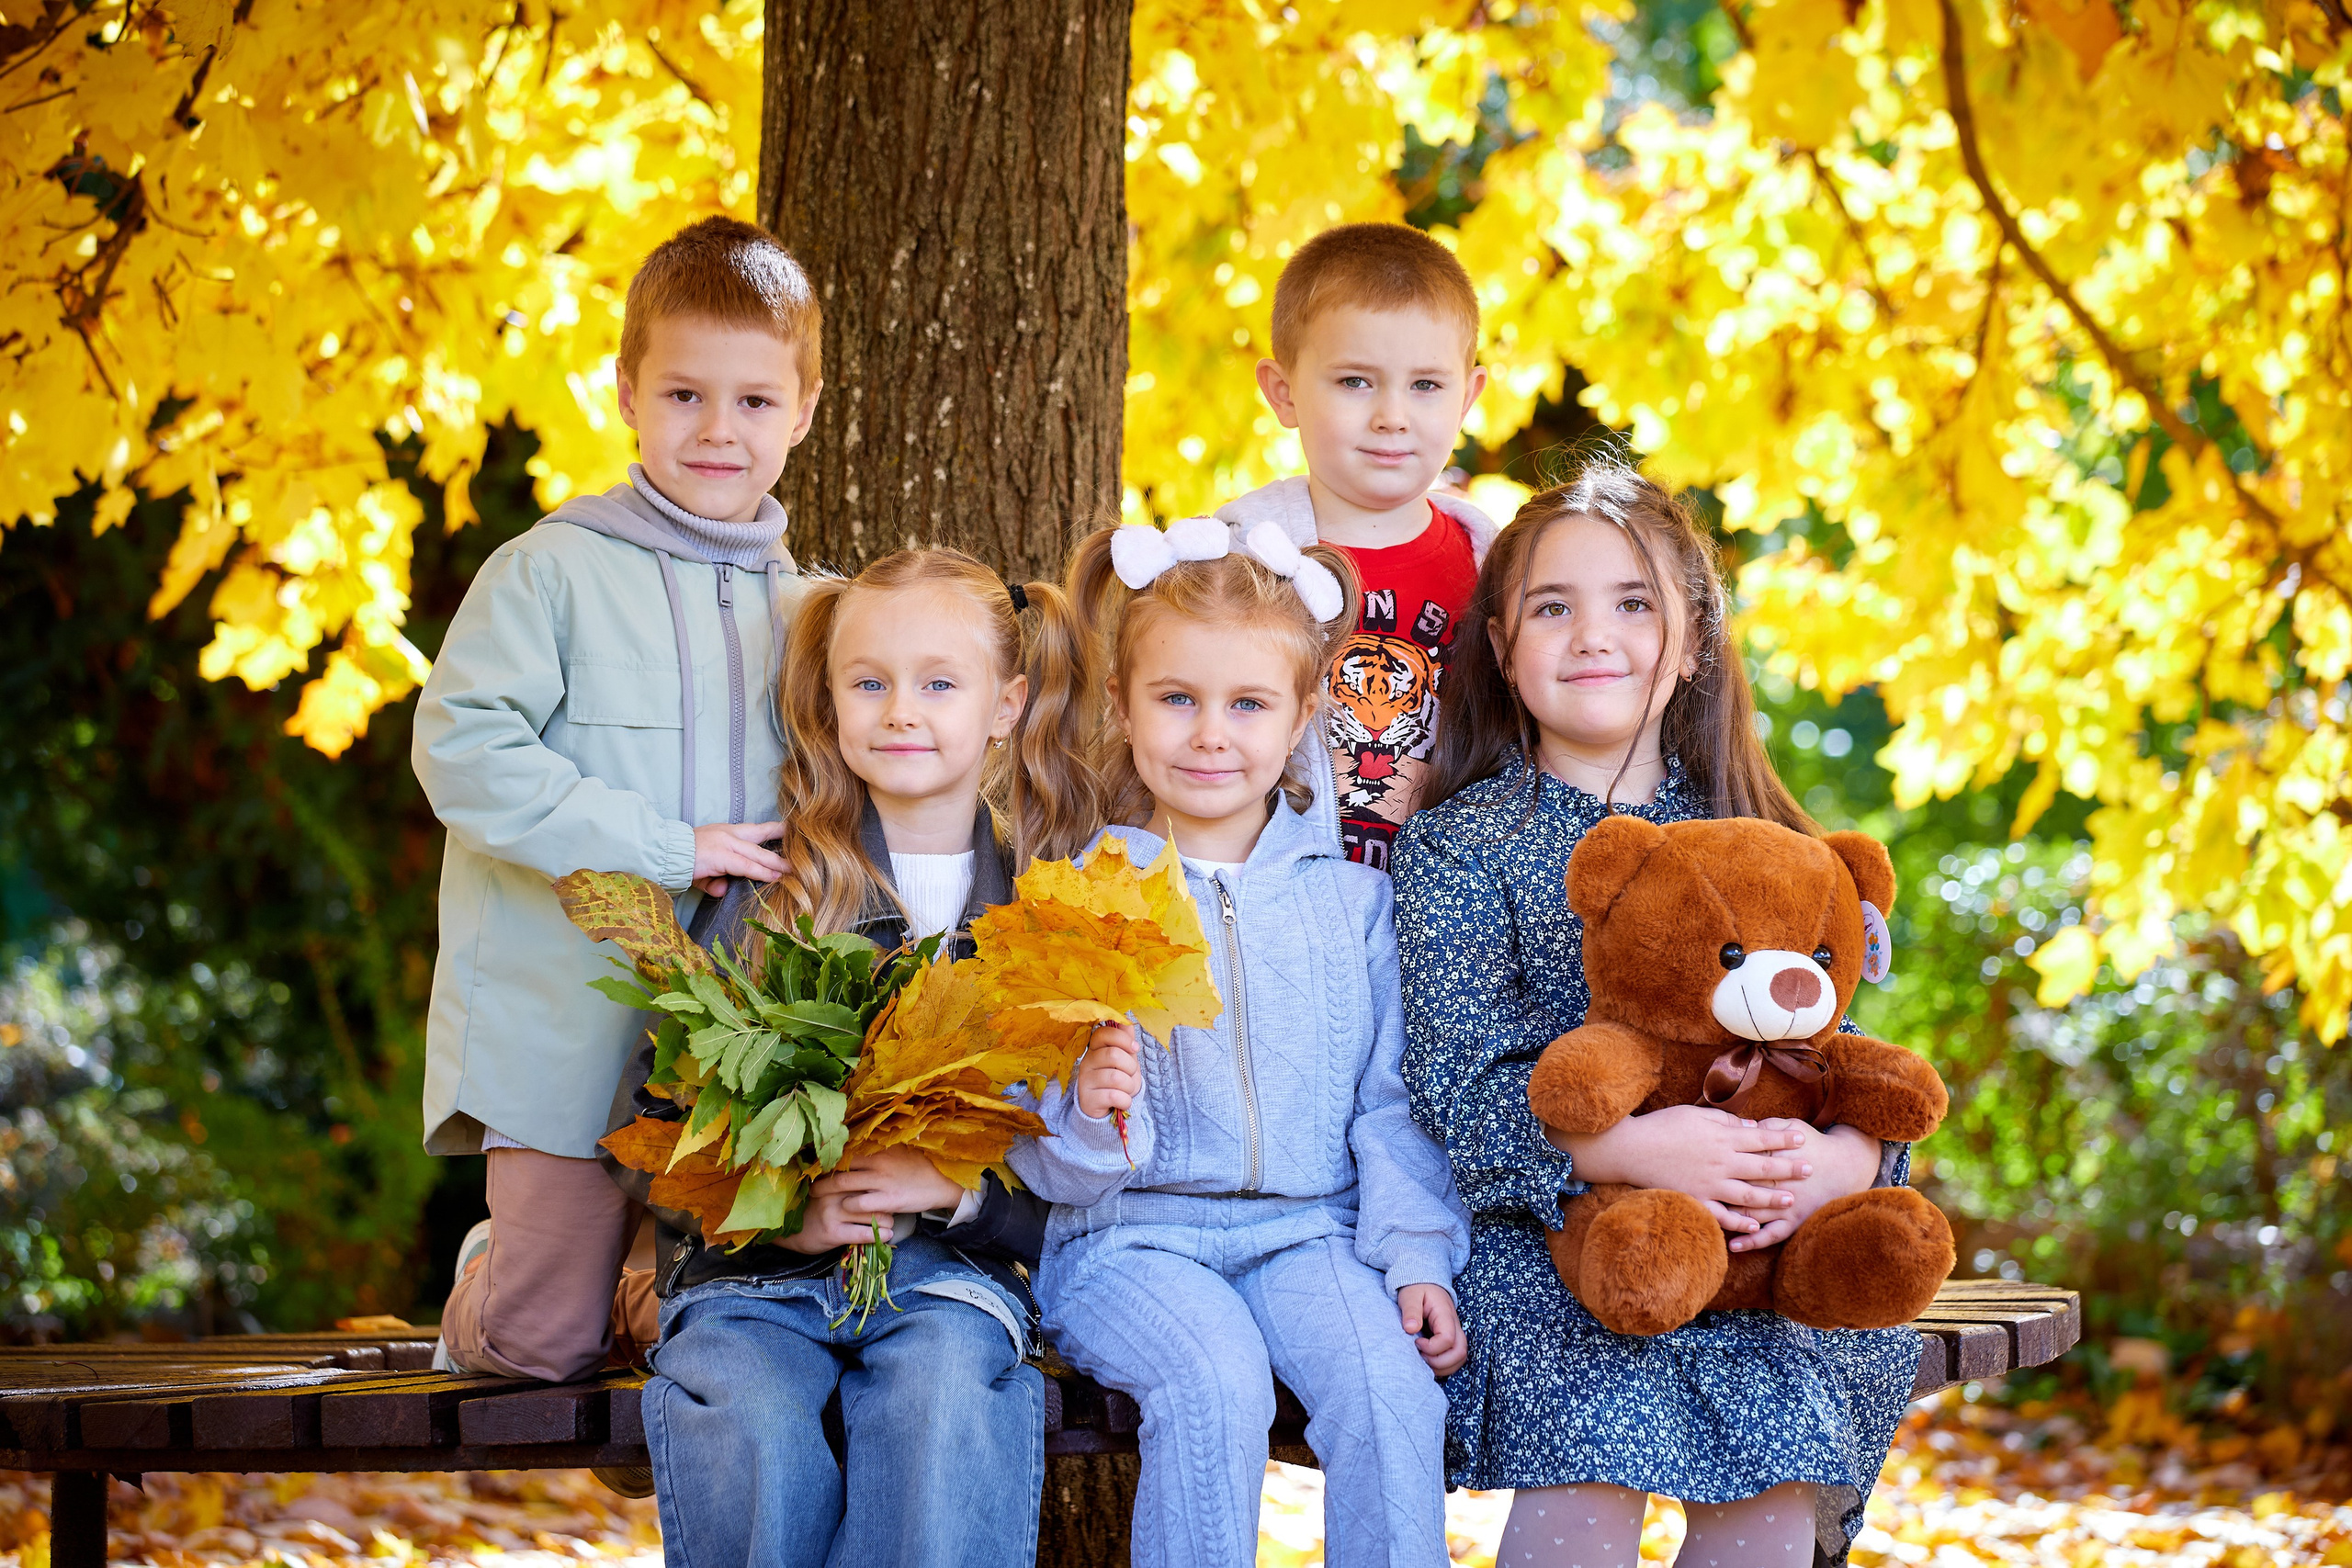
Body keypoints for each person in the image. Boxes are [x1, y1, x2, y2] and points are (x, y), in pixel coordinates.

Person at [1392, 457, 1923, 1568]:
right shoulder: (1460, 847)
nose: (1594, 635)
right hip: (1554, 1238)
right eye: (1552, 607)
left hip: (1752, 1246)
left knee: (1767, 1501)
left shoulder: (1759, 839)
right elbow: (1456, 1082)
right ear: (1502, 645)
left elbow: (1834, 1052)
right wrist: (1631, 1146)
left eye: (1633, 604)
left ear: (1689, 646)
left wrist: (1843, 1162)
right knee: (1589, 1480)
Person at [612, 548, 1098, 1568]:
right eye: (868, 683)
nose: (900, 711)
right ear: (828, 703)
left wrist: (960, 1197)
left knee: (942, 1398)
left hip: (952, 1276)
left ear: (1007, 706)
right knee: (746, 1410)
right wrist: (787, 1216)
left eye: (939, 683)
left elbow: (1085, 1171)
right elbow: (654, 1126)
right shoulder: (774, 896)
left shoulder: (1045, 915)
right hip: (754, 1279)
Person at [1009, 520, 1472, 1568]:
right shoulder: (1079, 899)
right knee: (1212, 1382)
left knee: (1389, 1391)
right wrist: (1088, 1113)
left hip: (1311, 1234)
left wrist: (1414, 1257)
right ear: (1122, 705)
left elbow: (1390, 1106)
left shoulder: (1353, 904)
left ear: (1304, 715)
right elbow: (1041, 1150)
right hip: (1129, 1243)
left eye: (1249, 704)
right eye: (1177, 699)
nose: (1211, 734)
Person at [413, 216, 821, 1386]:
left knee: (732, 1325)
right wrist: (663, 844)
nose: (718, 429)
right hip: (569, 1034)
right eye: (685, 395)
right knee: (536, 1349)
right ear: (628, 393)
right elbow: (462, 751)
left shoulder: (818, 613)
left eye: (754, 402)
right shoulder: (548, 571)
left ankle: (638, 1290)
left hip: (741, 1055)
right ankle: (502, 1269)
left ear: (802, 412)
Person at [1216, 221, 1499, 870]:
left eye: (1426, 385)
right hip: (1280, 894)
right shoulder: (1238, 562)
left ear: (1467, 397)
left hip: (1458, 905)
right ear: (1283, 392)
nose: (1391, 417)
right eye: (1355, 382)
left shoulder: (1498, 569)